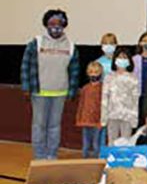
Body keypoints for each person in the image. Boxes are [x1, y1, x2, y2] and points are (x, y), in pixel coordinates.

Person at [21, 9, 80, 159]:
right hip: (39, 92)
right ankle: (39, 156)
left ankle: (51, 155)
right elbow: (25, 65)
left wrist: (72, 91)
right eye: (51, 23)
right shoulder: (36, 43)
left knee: (54, 127)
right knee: (39, 126)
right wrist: (26, 87)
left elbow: (74, 71)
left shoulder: (71, 46)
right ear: (46, 24)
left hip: (60, 93)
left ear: (64, 25)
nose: (55, 26)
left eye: (59, 23)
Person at [101, 47, 140, 144]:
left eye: (124, 57)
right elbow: (105, 98)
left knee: (126, 142)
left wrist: (134, 118)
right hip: (112, 114)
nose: (122, 59)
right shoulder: (109, 77)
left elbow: (135, 99)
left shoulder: (133, 78)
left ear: (129, 61)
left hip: (127, 115)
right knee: (111, 141)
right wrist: (103, 118)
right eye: (119, 57)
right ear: (115, 60)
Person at [76, 62, 103, 158]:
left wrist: (103, 119)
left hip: (97, 121)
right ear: (87, 73)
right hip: (85, 120)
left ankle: (96, 163)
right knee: (86, 144)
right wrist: (79, 118)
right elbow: (81, 104)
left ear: (100, 73)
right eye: (91, 72)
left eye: (96, 72)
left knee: (96, 144)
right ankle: (85, 162)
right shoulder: (85, 88)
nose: (93, 74)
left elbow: (103, 105)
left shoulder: (102, 89)